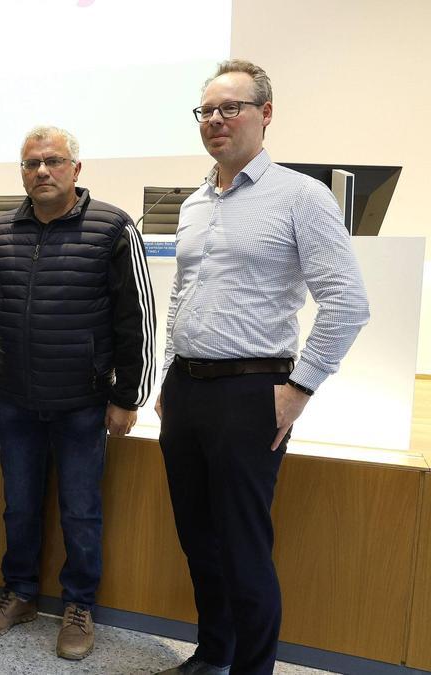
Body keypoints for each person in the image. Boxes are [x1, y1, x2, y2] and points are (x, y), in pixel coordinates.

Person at [155, 60, 370, 675]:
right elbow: (182, 295)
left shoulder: (302, 196)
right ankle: (214, 654)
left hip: (253, 392)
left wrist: (300, 387)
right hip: (186, 391)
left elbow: (348, 303)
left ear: (265, 113)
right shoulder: (195, 202)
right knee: (197, 538)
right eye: (207, 110)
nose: (216, 120)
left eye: (231, 108)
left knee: (244, 547)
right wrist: (169, 372)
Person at [0, 126, 156, 659]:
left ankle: (78, 606)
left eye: (53, 161)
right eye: (31, 163)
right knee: (19, 507)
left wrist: (127, 397)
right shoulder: (2, 232)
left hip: (83, 403)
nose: (42, 171)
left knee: (80, 511)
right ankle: (20, 593)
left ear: (77, 168)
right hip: (17, 401)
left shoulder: (113, 227)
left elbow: (135, 318)